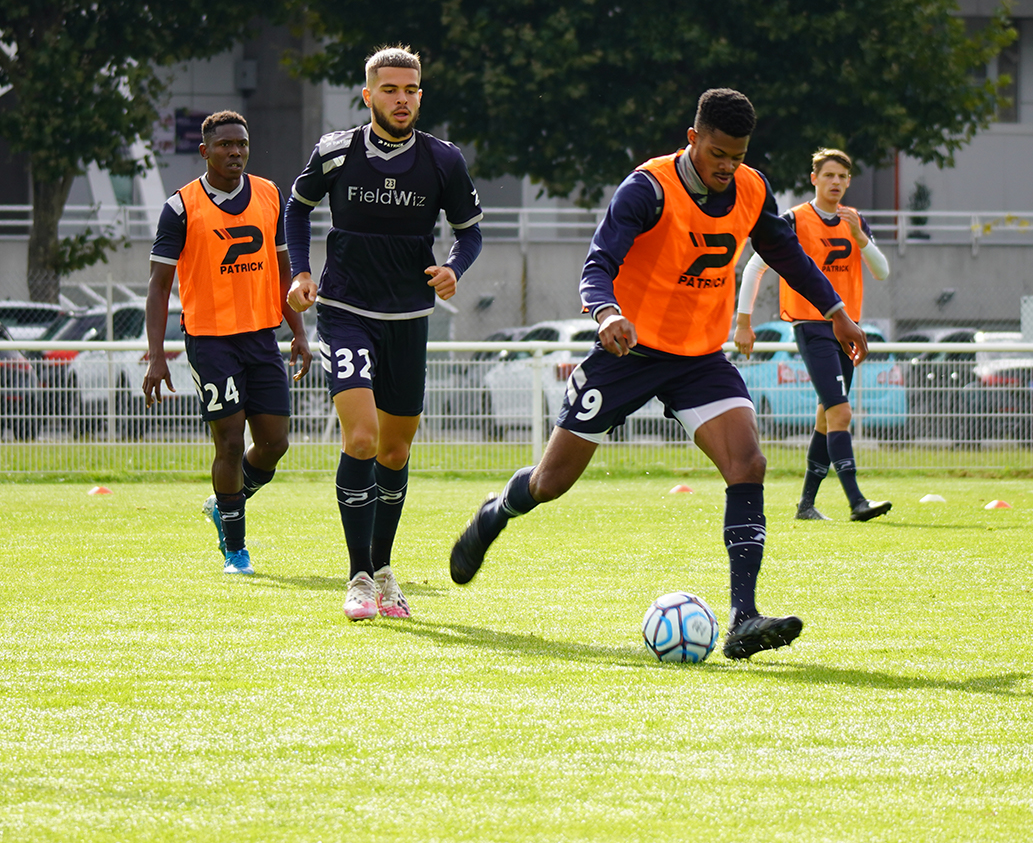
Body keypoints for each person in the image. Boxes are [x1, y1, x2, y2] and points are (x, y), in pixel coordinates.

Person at [450, 89, 869, 660]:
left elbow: (788, 254)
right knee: (551, 483)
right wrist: (607, 312)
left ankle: (743, 617)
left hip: (699, 359)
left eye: (738, 155)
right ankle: (497, 512)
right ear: (693, 138)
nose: (728, 166)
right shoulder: (648, 188)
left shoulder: (752, 188)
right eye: (718, 152)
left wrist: (837, 312)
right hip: (630, 354)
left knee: (748, 463)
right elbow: (599, 262)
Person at [284, 45, 484, 621]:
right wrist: (300, 271)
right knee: (364, 439)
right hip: (346, 311)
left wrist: (453, 269)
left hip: (408, 320)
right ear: (367, 94)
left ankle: (384, 570)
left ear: (420, 95)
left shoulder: (443, 161)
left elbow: (469, 234)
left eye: (411, 90)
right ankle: (357, 577)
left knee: (395, 451)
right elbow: (296, 211)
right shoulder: (336, 152)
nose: (402, 99)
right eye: (390, 90)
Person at [142, 110, 312, 575]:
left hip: (262, 338)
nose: (234, 151)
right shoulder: (180, 207)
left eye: (241, 143)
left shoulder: (269, 194)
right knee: (230, 443)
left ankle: (224, 504)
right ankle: (236, 549)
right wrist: (157, 356)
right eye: (224, 145)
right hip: (210, 341)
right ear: (205, 152)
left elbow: (281, 270)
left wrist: (297, 332)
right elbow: (158, 287)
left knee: (274, 444)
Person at [734, 148, 892, 522]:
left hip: (847, 328)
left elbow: (882, 272)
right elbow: (755, 268)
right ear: (814, 179)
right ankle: (857, 501)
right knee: (841, 412)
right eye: (829, 175)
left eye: (842, 177)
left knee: (826, 418)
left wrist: (861, 237)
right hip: (812, 325)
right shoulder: (793, 220)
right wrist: (743, 322)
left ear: (849, 181)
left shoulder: (855, 221)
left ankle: (806, 505)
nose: (835, 182)